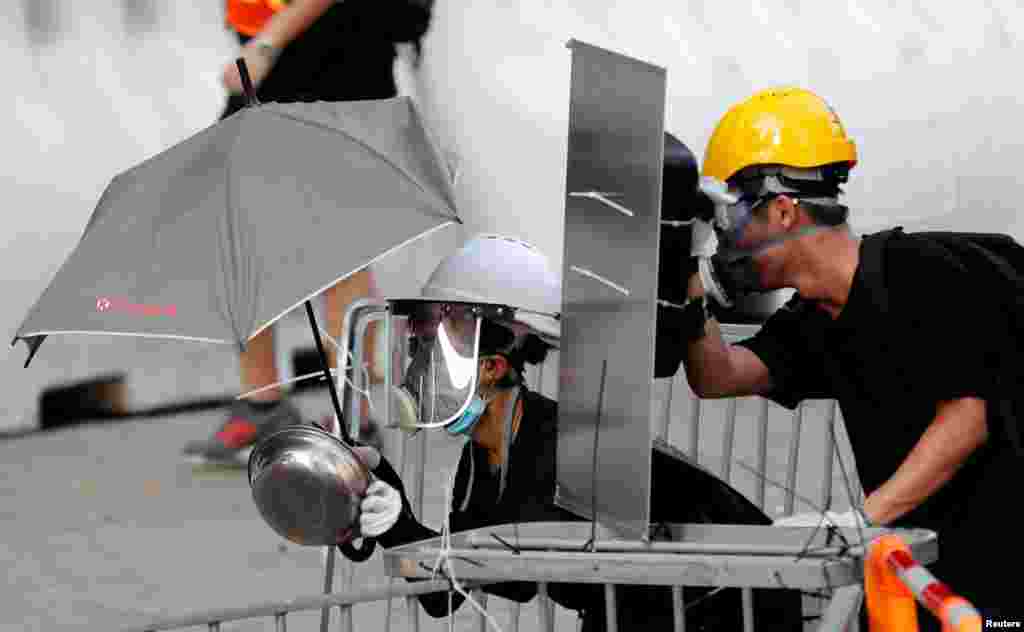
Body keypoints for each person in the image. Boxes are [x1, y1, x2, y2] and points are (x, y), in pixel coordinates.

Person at [661, 86, 1020, 629]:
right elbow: (717, 376)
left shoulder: (920, 271)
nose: (725, 238)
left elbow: (967, 419)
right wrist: (687, 263)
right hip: (917, 582)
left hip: (1000, 585)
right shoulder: (815, 319)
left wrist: (855, 522)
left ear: (782, 210)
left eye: (728, 217)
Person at [349, 229, 805, 631]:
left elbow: (502, 572)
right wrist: (383, 497)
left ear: (490, 367)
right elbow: (444, 593)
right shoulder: (483, 458)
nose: (413, 367)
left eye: (428, 347)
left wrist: (401, 525)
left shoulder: (562, 449)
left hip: (733, 608)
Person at [183, 0, 432, 465]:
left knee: (337, 246)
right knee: (243, 223)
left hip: (332, 49)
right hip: (279, 51)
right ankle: (262, 404)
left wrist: (268, 42)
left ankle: (352, 419)